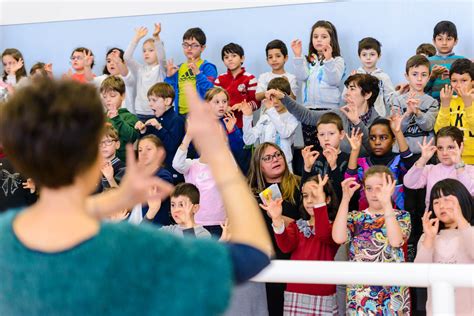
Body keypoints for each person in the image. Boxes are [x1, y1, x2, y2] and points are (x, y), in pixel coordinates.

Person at [0, 78, 272, 315]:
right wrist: (219, 154)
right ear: (95, 153)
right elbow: (252, 255)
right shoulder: (130, 246)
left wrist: (115, 198)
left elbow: (57, 216)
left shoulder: (5, 237)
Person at [332, 167, 411, 315]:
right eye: (369, 188)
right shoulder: (355, 217)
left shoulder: (402, 216)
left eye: (380, 188)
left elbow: (396, 241)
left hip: (393, 294)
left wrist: (387, 204)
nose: (374, 194)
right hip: (361, 293)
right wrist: (345, 199)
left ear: (391, 188)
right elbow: (338, 237)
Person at [264, 175, 339, 315]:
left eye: (315, 196)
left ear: (327, 199)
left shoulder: (334, 227)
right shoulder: (297, 226)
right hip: (295, 290)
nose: (310, 201)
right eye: (305, 196)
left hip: (323, 293)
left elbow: (323, 234)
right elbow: (285, 246)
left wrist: (319, 205)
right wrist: (277, 219)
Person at [267, 73, 381, 156]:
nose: (346, 94)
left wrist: (357, 122)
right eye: (347, 89)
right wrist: (283, 97)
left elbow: (373, 150)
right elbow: (307, 116)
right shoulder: (339, 113)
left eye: (352, 89)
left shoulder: (379, 122)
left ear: (367, 95)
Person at [248, 142, 301, 316]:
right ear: (259, 166)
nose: (275, 160)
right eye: (268, 158)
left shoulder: (300, 185)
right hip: (268, 262)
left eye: (278, 155)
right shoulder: (252, 195)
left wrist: (278, 218)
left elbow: (308, 224)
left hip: (297, 259)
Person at [414, 178, 474, 316]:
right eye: (436, 202)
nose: (441, 206)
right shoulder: (428, 237)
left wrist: (461, 220)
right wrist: (429, 238)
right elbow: (419, 276)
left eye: (448, 200)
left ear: (462, 200)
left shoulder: (469, 231)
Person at [172, 119, 227, 237]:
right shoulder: (191, 164)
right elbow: (176, 164)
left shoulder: (222, 165)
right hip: (195, 222)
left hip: (219, 223)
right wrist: (188, 136)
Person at [404, 127, 474, 209]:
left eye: (450, 147)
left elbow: (470, 192)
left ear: (461, 147)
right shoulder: (429, 169)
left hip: (462, 219)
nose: (444, 153)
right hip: (433, 219)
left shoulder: (470, 170)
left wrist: (459, 164)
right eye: (440, 148)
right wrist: (423, 159)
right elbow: (409, 183)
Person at [242, 77, 298, 171]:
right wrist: (247, 118)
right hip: (265, 167)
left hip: (285, 167)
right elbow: (249, 140)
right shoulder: (265, 116)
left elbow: (284, 133)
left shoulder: (292, 116)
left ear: (286, 97)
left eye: (279, 98)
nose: (275, 101)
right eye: (272, 97)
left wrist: (271, 111)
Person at [135, 82, 185, 183]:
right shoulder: (155, 120)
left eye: (154, 100)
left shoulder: (177, 120)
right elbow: (149, 144)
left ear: (167, 101)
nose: (150, 104)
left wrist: (159, 128)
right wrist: (143, 131)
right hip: (156, 170)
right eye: (149, 100)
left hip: (173, 172)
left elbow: (172, 146)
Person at [392, 55, 439, 154]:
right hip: (401, 153)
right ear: (407, 76)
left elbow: (428, 126)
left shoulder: (433, 102)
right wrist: (408, 113)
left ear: (429, 77)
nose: (419, 78)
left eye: (424, 75)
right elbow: (397, 129)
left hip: (425, 153)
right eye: (414, 74)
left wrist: (417, 112)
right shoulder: (397, 101)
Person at [165, 27, 217, 116]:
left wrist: (198, 74)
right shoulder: (178, 68)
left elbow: (211, 92)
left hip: (200, 115)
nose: (189, 48)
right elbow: (168, 93)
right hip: (180, 115)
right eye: (186, 45)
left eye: (194, 45)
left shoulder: (208, 67)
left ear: (202, 48)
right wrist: (169, 77)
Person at [124, 23, 167, 121]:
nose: (146, 53)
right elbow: (127, 57)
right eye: (144, 51)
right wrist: (136, 38)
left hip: (158, 112)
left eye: (151, 50)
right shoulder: (140, 69)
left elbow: (162, 57)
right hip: (141, 113)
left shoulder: (161, 69)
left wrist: (156, 37)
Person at [435, 58, 474, 164]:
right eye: (454, 81)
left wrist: (468, 104)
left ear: (472, 81)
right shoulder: (449, 100)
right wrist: (445, 105)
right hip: (450, 159)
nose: (458, 85)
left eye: (464, 80)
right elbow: (439, 131)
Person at [344, 37, 394, 116]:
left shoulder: (383, 77)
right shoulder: (355, 76)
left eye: (372, 54)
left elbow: (391, 98)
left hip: (378, 117)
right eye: (364, 54)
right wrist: (351, 83)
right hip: (357, 116)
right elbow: (345, 96)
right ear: (359, 56)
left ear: (379, 55)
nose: (368, 58)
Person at [142, 182, 211, 238]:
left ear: (195, 208)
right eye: (173, 205)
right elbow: (138, 239)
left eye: (181, 205)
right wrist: (152, 210)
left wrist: (188, 224)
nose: (176, 210)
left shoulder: (203, 235)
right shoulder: (168, 230)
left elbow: (190, 253)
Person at [214, 43, 259, 129]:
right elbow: (213, 102)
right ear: (223, 61)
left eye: (234, 56)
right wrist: (224, 107)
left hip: (244, 125)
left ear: (242, 58)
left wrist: (243, 106)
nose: (230, 59)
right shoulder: (219, 80)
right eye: (226, 57)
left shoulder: (250, 79)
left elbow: (256, 103)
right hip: (223, 126)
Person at [100, 76, 139, 162]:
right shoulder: (100, 117)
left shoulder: (129, 117)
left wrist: (116, 118)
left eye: (112, 96)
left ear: (123, 96)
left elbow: (131, 137)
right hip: (102, 164)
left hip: (123, 166)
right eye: (104, 97)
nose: (108, 100)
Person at [425, 21, 465, 101]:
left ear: (456, 41)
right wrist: (432, 76)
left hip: (457, 103)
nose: (444, 43)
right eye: (440, 39)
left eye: (449, 39)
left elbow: (467, 84)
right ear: (434, 41)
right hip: (433, 105)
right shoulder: (427, 62)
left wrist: (453, 77)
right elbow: (422, 88)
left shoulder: (462, 61)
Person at [89, 48, 136, 114]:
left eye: (115, 60)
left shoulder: (128, 78)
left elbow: (127, 75)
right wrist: (87, 66)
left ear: (123, 62)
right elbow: (89, 82)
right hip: (109, 116)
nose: (111, 63)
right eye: (109, 61)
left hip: (126, 116)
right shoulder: (103, 78)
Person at [96, 125, 125, 193]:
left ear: (117, 145)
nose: (103, 146)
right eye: (100, 142)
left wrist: (110, 179)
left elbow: (120, 198)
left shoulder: (124, 169)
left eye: (108, 141)